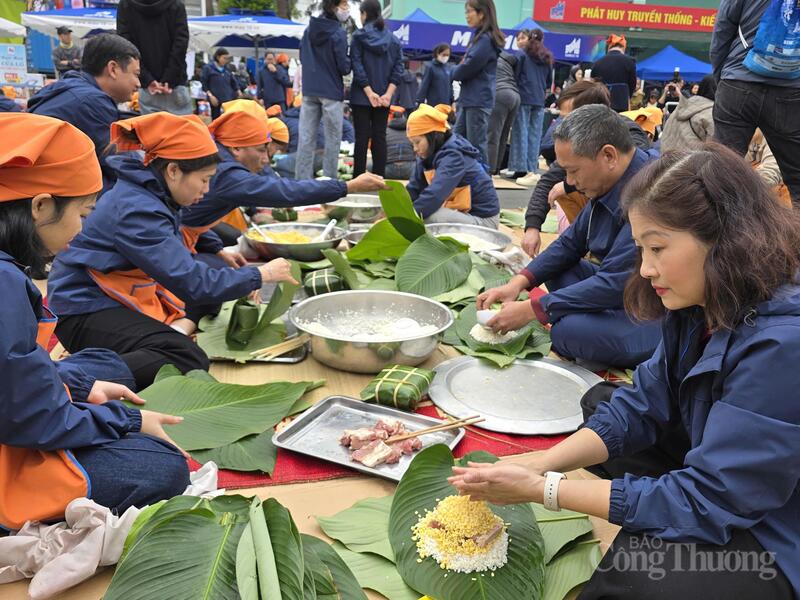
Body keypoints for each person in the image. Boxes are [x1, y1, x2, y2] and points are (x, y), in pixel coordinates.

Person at [451, 144, 800, 599]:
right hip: (726, 468)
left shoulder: (783, 343)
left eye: (657, 248)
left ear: (724, 239)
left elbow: (713, 498)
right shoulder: (700, 298)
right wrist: (539, 462)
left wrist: (545, 490)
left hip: (777, 522)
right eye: (640, 249)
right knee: (602, 405)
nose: (645, 268)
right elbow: (640, 404)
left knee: (638, 572)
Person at [0, 112, 189, 531]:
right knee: (164, 467)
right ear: (41, 205)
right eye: (83, 214)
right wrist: (128, 421)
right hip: (11, 445)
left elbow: (13, 366)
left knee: (102, 363)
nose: (84, 229)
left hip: (14, 403)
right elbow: (34, 421)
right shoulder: (4, 284)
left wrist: (82, 388)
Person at [47, 113, 297, 390]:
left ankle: (179, 326)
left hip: (118, 291)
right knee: (184, 356)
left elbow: (176, 240)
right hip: (85, 308)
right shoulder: (137, 209)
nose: (207, 189)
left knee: (216, 272)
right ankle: (61, 378)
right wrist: (260, 274)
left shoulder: (149, 191)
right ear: (174, 171)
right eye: (203, 180)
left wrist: (216, 250)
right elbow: (193, 283)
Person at [484, 105, 661, 368]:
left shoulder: (651, 192)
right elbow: (570, 244)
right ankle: (585, 320)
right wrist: (519, 282)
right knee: (557, 269)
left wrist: (534, 309)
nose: (570, 182)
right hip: (623, 294)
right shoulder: (610, 182)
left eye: (573, 171)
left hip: (656, 311)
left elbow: (615, 284)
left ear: (608, 156)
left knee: (566, 332)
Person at [180, 103, 387, 261]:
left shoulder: (223, 160)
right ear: (236, 148)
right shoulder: (226, 173)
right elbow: (282, 190)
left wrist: (215, 248)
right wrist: (348, 186)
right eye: (261, 150)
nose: (265, 159)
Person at [522, 81, 651, 256]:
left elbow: (633, 171)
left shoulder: (629, 135)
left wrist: (569, 186)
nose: (562, 125)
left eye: (568, 118)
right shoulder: (572, 145)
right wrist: (532, 227)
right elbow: (548, 177)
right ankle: (583, 244)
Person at [711, 0, 800, 203]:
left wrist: (722, 78)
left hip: (738, 82)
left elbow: (722, 31)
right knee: (797, 178)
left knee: (721, 174)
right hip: (791, 92)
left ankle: (719, 233)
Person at [28, 33, 141, 191]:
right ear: (113, 69)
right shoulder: (92, 102)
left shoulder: (71, 87)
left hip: (36, 183)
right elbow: (122, 165)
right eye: (136, 74)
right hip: (51, 192)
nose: (138, 84)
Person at [405, 104, 500, 227]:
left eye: (417, 142)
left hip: (482, 219)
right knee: (421, 214)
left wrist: (406, 218)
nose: (415, 148)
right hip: (462, 212)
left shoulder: (454, 156)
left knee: (429, 217)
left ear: (433, 136)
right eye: (412, 143)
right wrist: (395, 210)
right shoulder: (427, 154)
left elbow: (435, 194)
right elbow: (414, 188)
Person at [295, 0, 351, 181]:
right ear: (334, 7)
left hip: (310, 89)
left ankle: (301, 182)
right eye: (344, 5)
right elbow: (343, 66)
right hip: (331, 91)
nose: (346, 9)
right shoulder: (338, 33)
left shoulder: (309, 30)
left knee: (306, 139)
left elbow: (302, 55)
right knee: (332, 139)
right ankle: (329, 183)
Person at [349, 0, 404, 177]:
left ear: (364, 14)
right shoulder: (393, 39)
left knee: (361, 138)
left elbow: (356, 65)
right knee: (380, 136)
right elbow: (399, 68)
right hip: (384, 96)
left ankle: (359, 178)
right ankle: (379, 178)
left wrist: (367, 91)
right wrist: (388, 94)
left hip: (361, 96)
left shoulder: (358, 37)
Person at [116, 0, 191, 115]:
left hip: (147, 87)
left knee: (150, 131)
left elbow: (125, 46)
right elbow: (181, 44)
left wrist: (147, 78)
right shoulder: (176, 4)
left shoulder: (126, 5)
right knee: (182, 131)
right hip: (175, 85)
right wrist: (169, 79)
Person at [452, 0, 504, 164]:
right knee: (457, 142)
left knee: (475, 146)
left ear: (481, 14)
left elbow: (468, 66)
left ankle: (483, 184)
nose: (466, 16)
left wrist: (452, 71)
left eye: (469, 11)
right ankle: (463, 180)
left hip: (477, 99)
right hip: (472, 98)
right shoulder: (481, 38)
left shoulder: (485, 40)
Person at [509, 28, 553, 187]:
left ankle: (520, 168)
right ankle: (531, 168)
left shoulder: (521, 54)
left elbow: (515, 76)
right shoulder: (547, 57)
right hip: (539, 99)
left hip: (523, 96)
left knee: (521, 132)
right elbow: (549, 82)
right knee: (535, 135)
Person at [660, 74, 716, 152]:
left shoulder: (680, 108)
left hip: (666, 159)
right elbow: (714, 150)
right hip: (692, 162)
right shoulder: (712, 115)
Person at [486, 49, 521, 174]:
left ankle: (489, 169)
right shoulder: (508, 60)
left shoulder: (491, 56)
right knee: (503, 135)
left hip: (500, 93)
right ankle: (496, 168)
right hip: (515, 95)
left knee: (492, 135)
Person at [590, 34, 636, 112]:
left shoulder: (597, 63)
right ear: (623, 47)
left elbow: (593, 84)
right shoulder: (629, 62)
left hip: (601, 103)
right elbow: (632, 84)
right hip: (621, 104)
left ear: (609, 47)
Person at [201, 48, 240, 120]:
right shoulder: (208, 68)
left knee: (228, 119)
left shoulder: (228, 68)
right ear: (218, 57)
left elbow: (233, 82)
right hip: (215, 99)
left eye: (227, 58)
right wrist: (210, 96)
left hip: (228, 98)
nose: (226, 60)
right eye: (224, 58)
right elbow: (204, 84)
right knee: (216, 119)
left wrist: (238, 91)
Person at [417, 43, 454, 107]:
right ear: (437, 53)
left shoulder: (448, 68)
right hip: (434, 104)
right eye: (444, 54)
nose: (446, 57)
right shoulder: (430, 67)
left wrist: (452, 100)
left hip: (446, 104)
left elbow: (450, 85)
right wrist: (420, 101)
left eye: (448, 55)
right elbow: (424, 85)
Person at [384, 107, 416, 179]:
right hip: (411, 169)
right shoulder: (412, 132)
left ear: (391, 118)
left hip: (388, 169)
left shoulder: (384, 132)